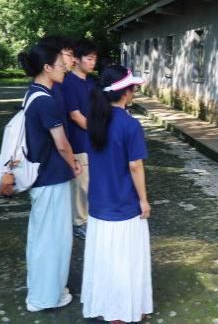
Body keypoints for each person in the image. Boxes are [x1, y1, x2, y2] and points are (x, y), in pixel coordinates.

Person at [12, 44, 82, 312]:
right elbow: (61, 144)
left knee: (43, 238)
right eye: (61, 64)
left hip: (44, 178)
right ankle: (46, 297)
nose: (65, 67)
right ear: (47, 68)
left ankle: (44, 292)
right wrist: (74, 162)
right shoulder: (46, 101)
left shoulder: (33, 94)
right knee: (54, 241)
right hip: (51, 177)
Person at [82, 65, 153, 323]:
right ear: (125, 92)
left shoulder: (94, 122)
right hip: (124, 204)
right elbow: (135, 166)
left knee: (104, 259)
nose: (134, 92)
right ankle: (125, 309)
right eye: (133, 88)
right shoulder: (130, 125)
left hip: (99, 203)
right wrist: (143, 199)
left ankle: (108, 307)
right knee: (127, 259)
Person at [60, 39, 97, 239]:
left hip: (93, 141)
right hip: (79, 141)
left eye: (94, 59)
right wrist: (97, 131)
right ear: (77, 59)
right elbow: (75, 115)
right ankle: (79, 222)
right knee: (81, 184)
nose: (92, 63)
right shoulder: (69, 83)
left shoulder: (91, 82)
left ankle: (89, 218)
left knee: (91, 183)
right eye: (89, 58)